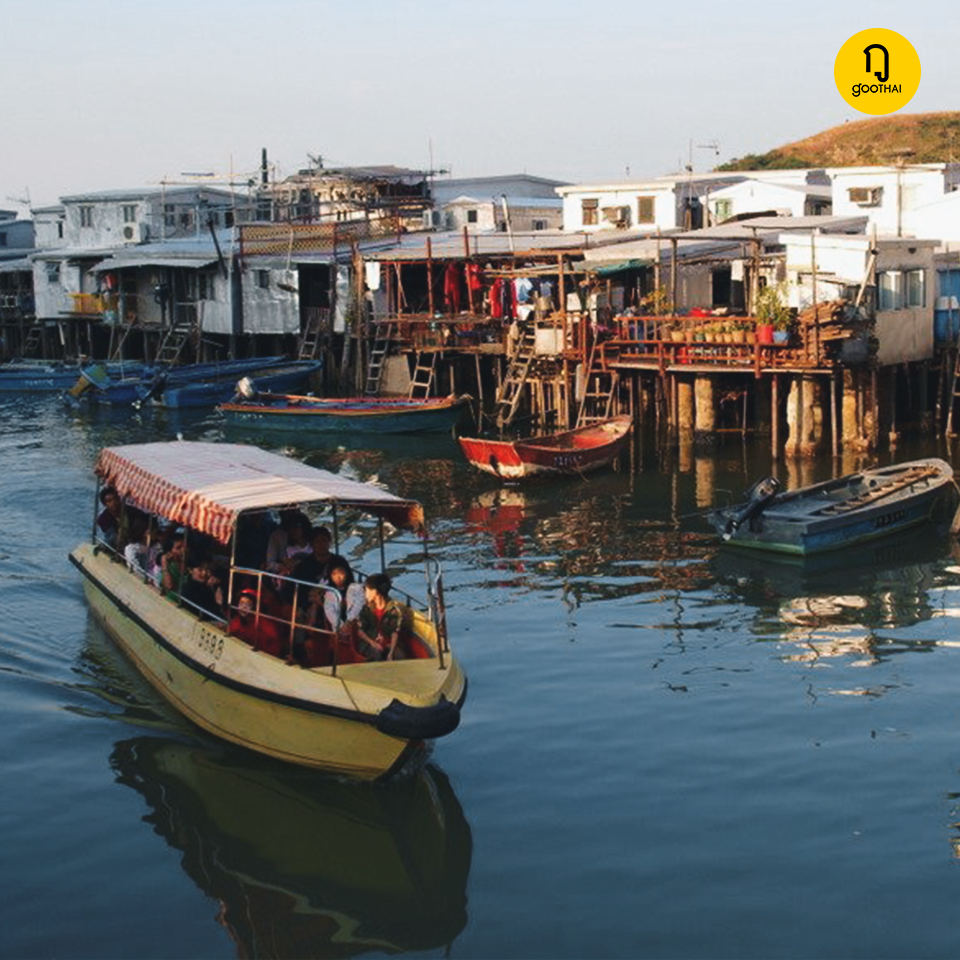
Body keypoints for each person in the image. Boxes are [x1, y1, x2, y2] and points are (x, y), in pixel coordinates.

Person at [355, 573, 406, 661]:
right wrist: (373, 643)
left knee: (399, 655)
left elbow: (395, 632)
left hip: (388, 642)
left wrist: (391, 651)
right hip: (369, 642)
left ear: (375, 591)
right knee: (377, 653)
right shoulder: (366, 609)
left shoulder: (393, 610)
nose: (365, 593)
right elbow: (360, 630)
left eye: (367, 590)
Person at [229, 588, 285, 657]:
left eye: (248, 605)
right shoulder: (235, 622)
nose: (243, 607)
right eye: (241, 603)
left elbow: (274, 648)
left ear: (254, 607)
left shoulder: (265, 626)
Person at [180, 554, 224, 620]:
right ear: (190, 570)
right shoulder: (188, 589)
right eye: (200, 570)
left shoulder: (209, 586)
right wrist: (218, 604)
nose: (204, 573)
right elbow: (200, 612)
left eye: (206, 569)